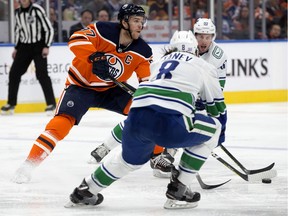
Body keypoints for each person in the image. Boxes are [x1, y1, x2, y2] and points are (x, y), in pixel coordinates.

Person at [67, 30, 226, 209]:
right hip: (170, 123)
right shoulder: (204, 66)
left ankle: (86, 190)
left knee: (127, 162)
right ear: (195, 50)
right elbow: (216, 109)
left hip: (136, 119)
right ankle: (180, 188)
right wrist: (211, 135)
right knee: (215, 129)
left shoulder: (157, 64)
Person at [11, 3, 152, 184]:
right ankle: (28, 165)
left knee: (148, 114)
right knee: (61, 124)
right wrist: (94, 56)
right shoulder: (103, 30)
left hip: (111, 90)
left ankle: (157, 157)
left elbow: (146, 80)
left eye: (142, 21)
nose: (140, 25)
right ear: (124, 21)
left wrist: (147, 95)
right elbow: (75, 39)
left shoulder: (143, 51)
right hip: (81, 87)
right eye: (136, 21)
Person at [88, 18, 228, 179]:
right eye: (200, 36)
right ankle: (106, 147)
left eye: (208, 36)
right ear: (194, 36)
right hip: (177, 97)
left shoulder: (217, 57)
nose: (204, 40)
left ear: (213, 37)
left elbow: (217, 89)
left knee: (156, 118)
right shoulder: (173, 57)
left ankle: (165, 155)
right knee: (165, 118)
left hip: (193, 96)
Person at [1, 0, 56, 115]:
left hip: (38, 46)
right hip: (24, 47)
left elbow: (48, 29)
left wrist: (46, 46)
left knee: (42, 74)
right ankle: (11, 103)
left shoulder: (37, 10)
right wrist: (16, 48)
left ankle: (51, 104)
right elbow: (18, 31)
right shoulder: (17, 12)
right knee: (14, 73)